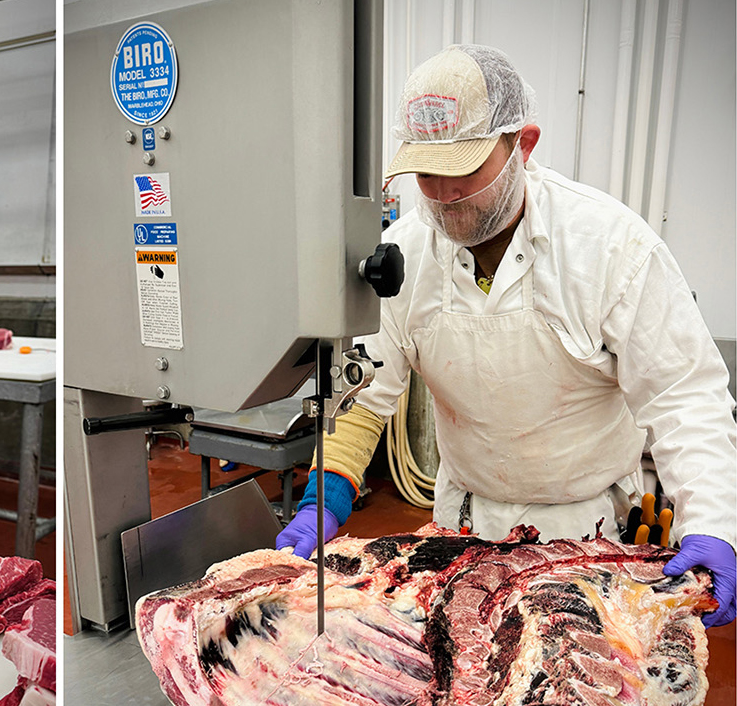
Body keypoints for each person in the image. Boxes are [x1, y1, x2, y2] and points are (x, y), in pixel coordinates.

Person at [275, 45, 736, 628]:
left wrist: (715, 524)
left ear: (523, 144)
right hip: (461, 531)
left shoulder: (611, 248)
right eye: (426, 173)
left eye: (462, 169)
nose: (441, 195)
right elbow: (364, 396)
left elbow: (684, 397)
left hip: (590, 537)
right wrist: (323, 500)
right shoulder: (407, 253)